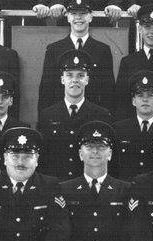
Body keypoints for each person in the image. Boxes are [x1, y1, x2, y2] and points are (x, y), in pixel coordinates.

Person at [38, 50, 112, 179]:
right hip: (56, 183)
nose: (75, 80)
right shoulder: (47, 115)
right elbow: (42, 157)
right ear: (62, 79)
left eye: (80, 76)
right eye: (69, 75)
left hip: (87, 183)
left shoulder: (101, 115)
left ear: (87, 80)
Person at [37, 0, 115, 113]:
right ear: (68, 17)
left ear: (90, 17)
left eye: (83, 13)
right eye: (74, 13)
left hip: (92, 115)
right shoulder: (54, 49)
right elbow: (46, 91)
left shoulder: (103, 50)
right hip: (61, 115)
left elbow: (108, 92)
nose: (78, 18)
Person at [112, 70, 153, 180]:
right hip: (126, 187)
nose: (145, 99)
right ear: (133, 101)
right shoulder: (119, 129)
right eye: (140, 95)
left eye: (150, 95)